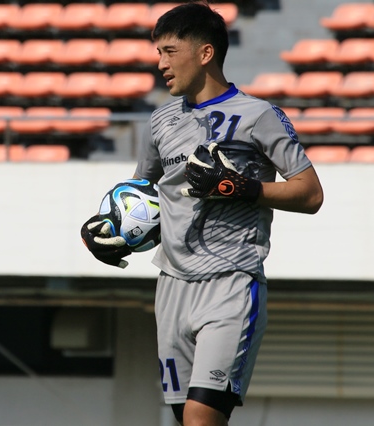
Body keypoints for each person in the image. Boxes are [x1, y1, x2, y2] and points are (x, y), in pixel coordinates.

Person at [81, 2, 324, 425]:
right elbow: (140, 193)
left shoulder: (259, 116)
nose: (160, 64)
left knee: (200, 418)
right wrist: (109, 232)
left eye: (169, 52)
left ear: (205, 53)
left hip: (231, 282)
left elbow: (310, 193)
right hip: (172, 287)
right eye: (158, 53)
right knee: (186, 418)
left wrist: (240, 187)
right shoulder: (160, 121)